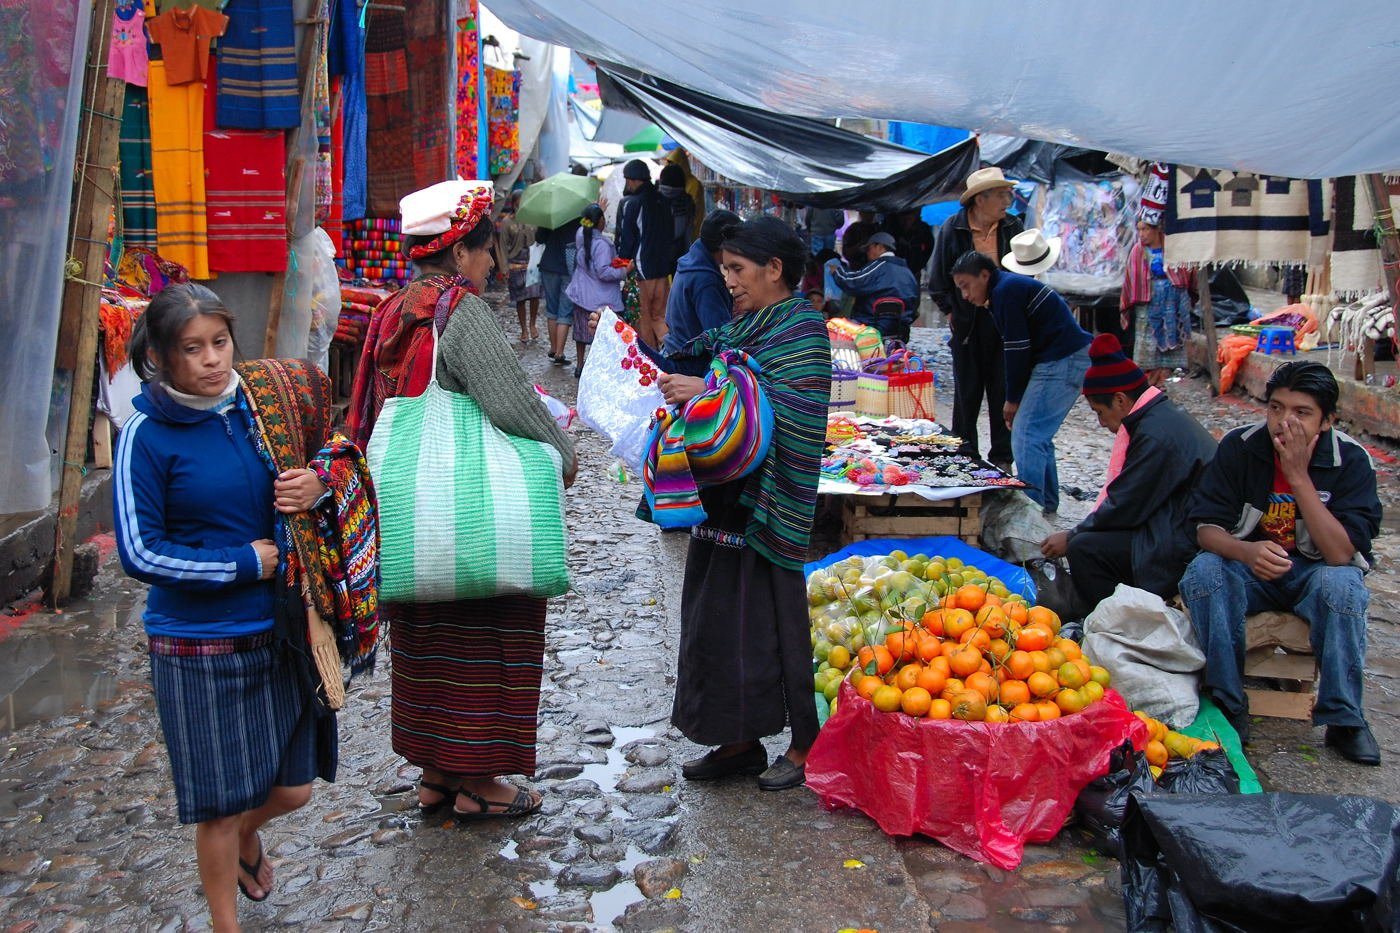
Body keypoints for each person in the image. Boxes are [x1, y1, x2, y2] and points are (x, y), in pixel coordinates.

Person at [350, 182, 580, 815]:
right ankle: (480, 784)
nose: (491, 266)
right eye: (484, 253)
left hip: (408, 504)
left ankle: (437, 772)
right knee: (487, 635)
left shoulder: (392, 309)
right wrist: (562, 453)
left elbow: (366, 408)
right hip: (466, 513)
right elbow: (508, 401)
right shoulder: (462, 311)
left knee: (428, 639)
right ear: (457, 254)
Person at [114, 283, 338, 929]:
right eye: (193, 348)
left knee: (292, 786)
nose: (213, 360)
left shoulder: (262, 408)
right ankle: (224, 922)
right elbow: (139, 551)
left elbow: (332, 453)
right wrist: (244, 561)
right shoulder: (144, 436)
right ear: (160, 356)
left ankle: (247, 835)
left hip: (280, 630)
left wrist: (316, 482)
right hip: (196, 644)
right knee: (218, 804)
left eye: (220, 342)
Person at [643, 217, 831, 791]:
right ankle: (739, 739)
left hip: (772, 505)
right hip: (726, 505)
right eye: (725, 268)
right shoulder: (746, 328)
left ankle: (805, 746)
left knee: (777, 621)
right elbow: (737, 392)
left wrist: (705, 393)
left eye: (738, 269)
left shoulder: (801, 332)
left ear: (775, 270)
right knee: (719, 619)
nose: (728, 280)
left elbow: (782, 408)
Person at [1180, 362, 1381, 763]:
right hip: (1249, 570)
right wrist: (1246, 552)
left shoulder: (1351, 461)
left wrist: (1298, 477)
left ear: (1327, 421)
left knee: (1344, 586)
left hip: (1315, 573)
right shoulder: (1240, 447)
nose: (1284, 421)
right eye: (1276, 408)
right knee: (1204, 572)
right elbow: (1204, 528)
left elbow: (1342, 555)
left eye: (1302, 412)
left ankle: (1345, 718)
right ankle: (1227, 699)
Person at [1040, 334, 1217, 609]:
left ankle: (1115, 621)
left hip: (1183, 539)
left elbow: (1126, 504)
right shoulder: (1157, 418)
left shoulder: (1155, 434)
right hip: (1174, 522)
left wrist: (1072, 536)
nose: (1100, 423)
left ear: (1121, 401)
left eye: (1099, 412)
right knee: (1093, 539)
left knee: (1084, 549)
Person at [951, 241, 1091, 514]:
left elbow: (1017, 349)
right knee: (1036, 433)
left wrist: (1012, 399)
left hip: (1063, 359)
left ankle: (1030, 508)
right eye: (960, 289)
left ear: (984, 275)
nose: (965, 295)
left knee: (1026, 434)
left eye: (966, 285)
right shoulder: (1004, 290)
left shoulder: (1006, 291)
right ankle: (1046, 502)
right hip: (1063, 358)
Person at [928, 167, 1025, 469]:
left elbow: (1025, 272)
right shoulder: (953, 228)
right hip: (966, 318)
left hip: (1003, 316)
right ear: (980, 199)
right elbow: (938, 278)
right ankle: (964, 456)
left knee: (1002, 388)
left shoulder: (1013, 226)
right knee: (967, 391)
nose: (1007, 201)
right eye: (1001, 195)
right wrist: (951, 312)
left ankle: (1002, 458)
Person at [661, 207, 740, 372]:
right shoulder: (706, 280)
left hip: (674, 352)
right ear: (724, 246)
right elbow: (720, 336)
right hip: (689, 364)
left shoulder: (690, 262)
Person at [1121, 219, 1193, 384]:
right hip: (1148, 303)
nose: (1141, 234)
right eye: (1138, 230)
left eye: (1145, 229)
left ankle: (1163, 379)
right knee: (1147, 343)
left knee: (1170, 340)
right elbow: (1131, 278)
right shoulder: (1137, 252)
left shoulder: (1172, 248)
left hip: (1172, 302)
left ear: (1156, 229)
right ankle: (1149, 382)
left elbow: (1185, 272)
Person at [617, 158, 676, 348]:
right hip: (663, 271)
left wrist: (622, 266)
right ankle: (672, 355)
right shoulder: (664, 201)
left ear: (633, 180)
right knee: (660, 317)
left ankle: (651, 366)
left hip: (642, 271)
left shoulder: (632, 203)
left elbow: (626, 241)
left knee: (643, 319)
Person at [565, 203, 627, 376]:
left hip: (581, 294)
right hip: (600, 299)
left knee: (580, 333)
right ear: (600, 221)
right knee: (600, 337)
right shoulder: (602, 245)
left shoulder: (581, 234)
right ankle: (597, 369)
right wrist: (624, 271)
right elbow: (603, 272)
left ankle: (579, 365)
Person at [825, 231, 921, 341]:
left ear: (879, 247)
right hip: (900, 330)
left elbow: (853, 282)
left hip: (869, 325)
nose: (867, 254)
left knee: (832, 327)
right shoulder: (908, 273)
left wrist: (837, 272)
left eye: (869, 249)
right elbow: (914, 307)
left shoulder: (878, 266)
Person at [494, 192, 541, 344]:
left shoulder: (533, 218)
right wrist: (504, 268)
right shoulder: (507, 222)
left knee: (535, 295)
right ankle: (524, 329)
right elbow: (502, 246)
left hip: (532, 262)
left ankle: (532, 324)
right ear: (514, 203)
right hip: (515, 263)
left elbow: (539, 238)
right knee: (520, 299)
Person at [535, 215, 581, 366]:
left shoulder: (551, 215)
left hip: (549, 265)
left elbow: (539, 238)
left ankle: (554, 348)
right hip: (569, 269)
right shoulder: (579, 217)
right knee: (565, 311)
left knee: (552, 309)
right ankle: (560, 353)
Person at [658, 163, 696, 268]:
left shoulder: (655, 199)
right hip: (679, 252)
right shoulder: (687, 201)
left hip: (657, 254)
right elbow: (688, 231)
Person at [665, 148, 706, 240]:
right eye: (670, 164)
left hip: (689, 230)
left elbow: (696, 211)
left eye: (674, 163)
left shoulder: (694, 184)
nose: (672, 167)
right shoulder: (670, 183)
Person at [887, 209, 935, 285]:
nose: (906, 222)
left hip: (914, 270)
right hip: (894, 271)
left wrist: (919, 263)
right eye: (903, 219)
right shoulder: (892, 229)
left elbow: (929, 248)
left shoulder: (923, 229)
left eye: (909, 219)